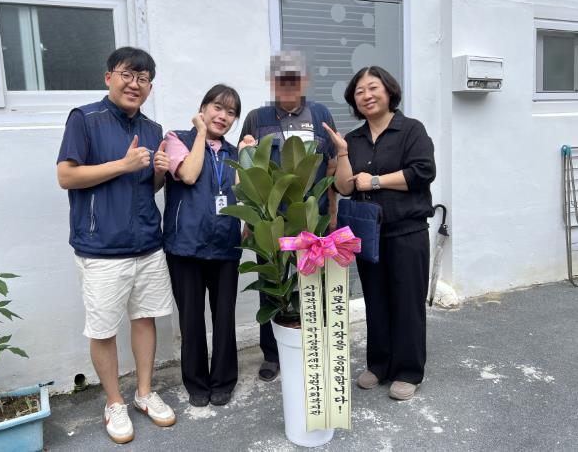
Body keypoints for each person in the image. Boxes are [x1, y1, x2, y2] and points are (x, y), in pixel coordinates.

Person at [56, 46, 176, 444]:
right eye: (127, 75)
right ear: (109, 77)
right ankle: (114, 401)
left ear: (150, 87)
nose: (134, 84)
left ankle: (144, 392)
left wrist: (158, 173)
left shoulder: (153, 129)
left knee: (145, 318)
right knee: (103, 329)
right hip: (101, 247)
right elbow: (66, 176)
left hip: (147, 243)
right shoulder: (84, 119)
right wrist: (122, 165)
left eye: (143, 79)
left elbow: (146, 187)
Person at [324, 65, 436, 401]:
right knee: (376, 300)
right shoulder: (354, 139)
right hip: (368, 234)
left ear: (389, 91)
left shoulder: (411, 129)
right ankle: (380, 364)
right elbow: (345, 187)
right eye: (359, 92)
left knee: (407, 302)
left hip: (407, 231)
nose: (367, 96)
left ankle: (408, 370)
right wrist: (342, 152)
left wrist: (374, 181)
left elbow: (422, 172)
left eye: (373, 88)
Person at [238, 50, 338, 382]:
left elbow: (332, 166)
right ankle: (272, 354)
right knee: (273, 284)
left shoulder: (321, 114)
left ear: (304, 81)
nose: (288, 84)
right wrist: (249, 221)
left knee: (313, 284)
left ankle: (313, 346)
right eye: (281, 78)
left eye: (294, 77)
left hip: (311, 218)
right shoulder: (257, 118)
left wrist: (332, 214)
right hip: (272, 221)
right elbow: (248, 172)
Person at [162, 85, 242, 407]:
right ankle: (196, 383)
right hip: (186, 246)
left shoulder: (233, 153)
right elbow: (190, 174)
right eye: (217, 108)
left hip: (225, 246)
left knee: (224, 318)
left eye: (231, 113)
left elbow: (244, 194)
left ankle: (223, 380)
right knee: (191, 319)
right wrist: (199, 134)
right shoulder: (176, 138)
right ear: (204, 108)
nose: (223, 116)